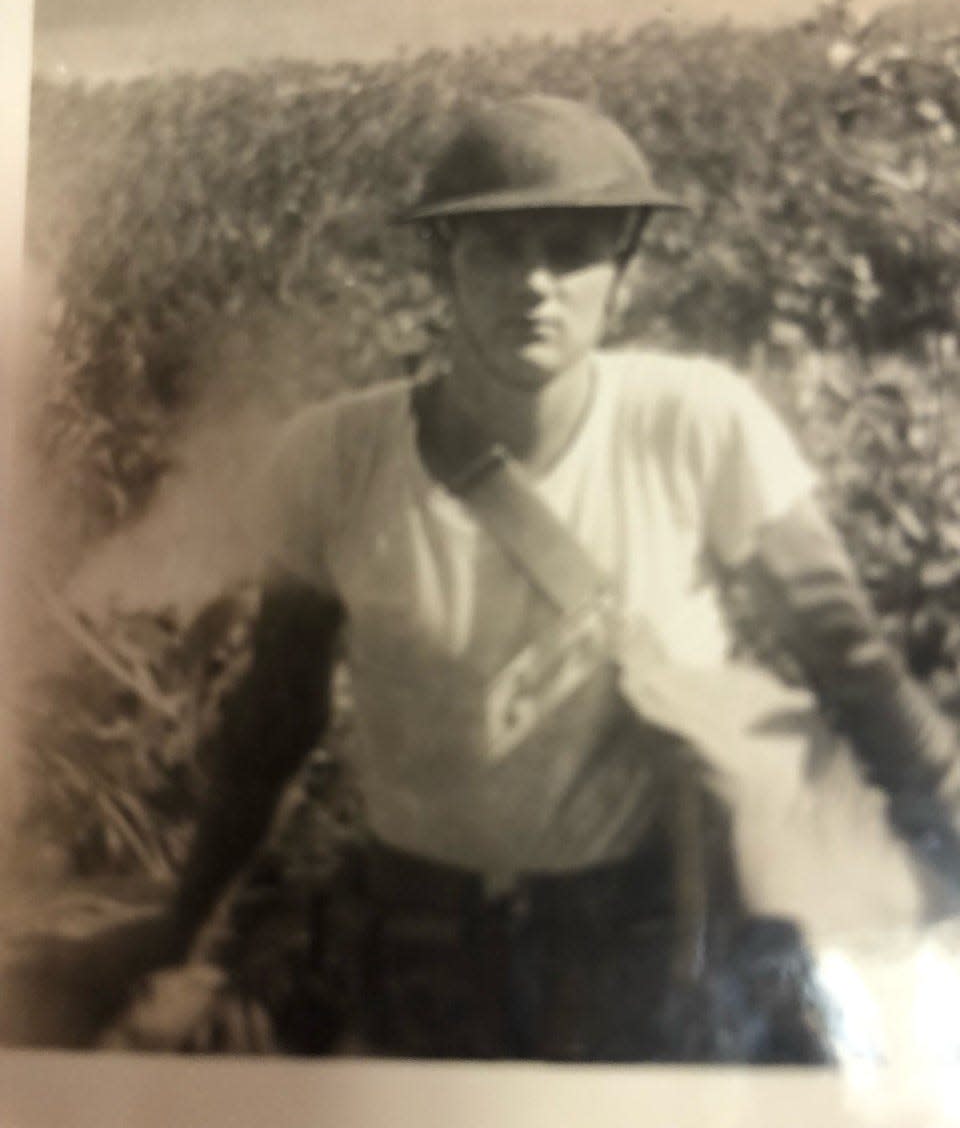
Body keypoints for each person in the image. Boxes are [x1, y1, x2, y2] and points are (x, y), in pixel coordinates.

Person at [92, 93, 960, 1061]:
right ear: (442, 265)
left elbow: (851, 661)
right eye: (497, 248)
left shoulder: (696, 424)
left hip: (639, 937)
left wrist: (944, 833)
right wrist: (189, 931)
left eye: (572, 248)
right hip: (420, 942)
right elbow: (273, 721)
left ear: (620, 272)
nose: (534, 284)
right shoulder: (335, 456)